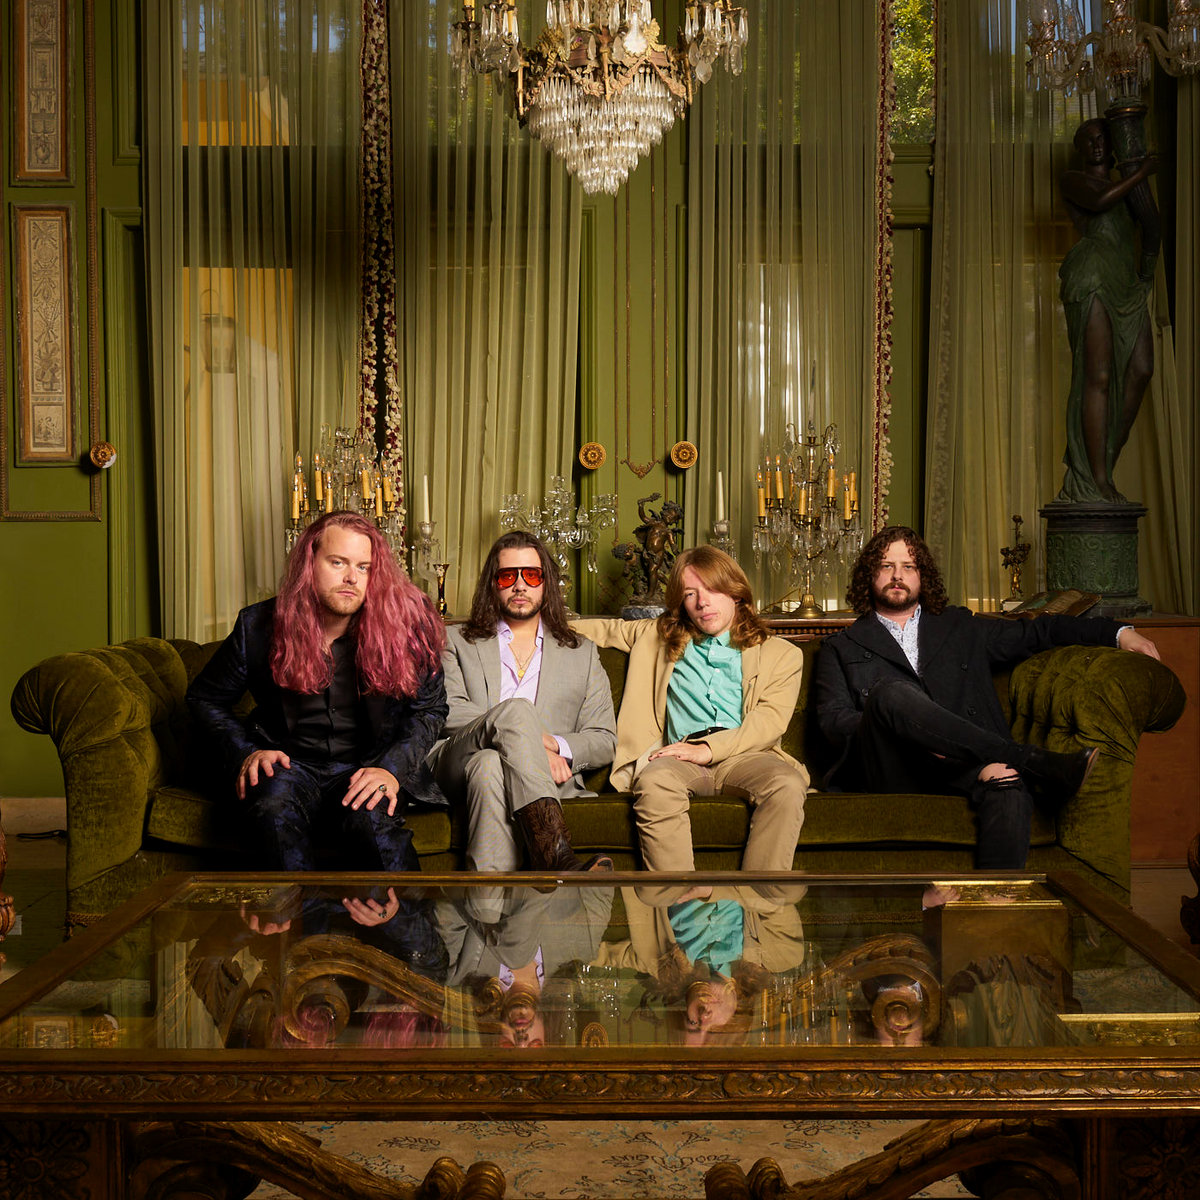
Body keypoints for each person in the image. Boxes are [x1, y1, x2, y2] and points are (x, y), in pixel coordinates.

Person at [187, 510, 448, 973]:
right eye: (338, 562)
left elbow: (429, 709)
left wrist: (391, 769)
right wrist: (247, 752)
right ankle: (307, 959)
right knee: (273, 804)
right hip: (292, 764)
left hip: (367, 764)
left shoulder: (405, 626)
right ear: (310, 562)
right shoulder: (258, 626)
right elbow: (204, 699)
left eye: (364, 567)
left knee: (375, 822)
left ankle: (414, 955)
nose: (352, 578)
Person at [813, 525, 1160, 870]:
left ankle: (995, 899)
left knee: (1006, 779)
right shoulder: (841, 647)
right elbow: (833, 722)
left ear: (923, 575)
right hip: (892, 769)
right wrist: (911, 732)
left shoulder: (961, 627)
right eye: (886, 565)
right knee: (889, 693)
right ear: (869, 574)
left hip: (963, 763)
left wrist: (1118, 633)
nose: (897, 576)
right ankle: (1033, 761)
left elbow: (1040, 631)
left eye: (909, 566)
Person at [575, 546, 808, 883]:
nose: (702, 602)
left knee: (786, 784)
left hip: (746, 754)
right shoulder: (659, 635)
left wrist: (709, 750)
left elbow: (768, 722)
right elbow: (601, 629)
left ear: (736, 592)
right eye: (690, 593)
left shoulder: (782, 654)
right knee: (654, 781)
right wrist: (530, 618)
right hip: (678, 754)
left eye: (712, 589)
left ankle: (759, 906)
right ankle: (681, 903)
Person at [426, 531, 617, 918]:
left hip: (494, 771)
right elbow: (449, 712)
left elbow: (604, 739)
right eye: (506, 576)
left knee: (490, 765)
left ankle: (487, 928)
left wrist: (552, 745)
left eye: (531, 575)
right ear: (492, 584)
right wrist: (525, 740)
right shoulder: (455, 641)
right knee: (514, 714)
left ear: (546, 582)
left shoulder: (582, 653)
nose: (519, 585)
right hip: (455, 763)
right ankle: (554, 851)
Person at [1057, 116, 1159, 503]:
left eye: (1102, 137)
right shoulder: (1072, 179)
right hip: (1092, 274)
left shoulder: (1127, 184)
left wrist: (1146, 273)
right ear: (1079, 149)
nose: (1097, 144)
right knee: (1097, 376)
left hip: (1126, 282)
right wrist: (1141, 173)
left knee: (1142, 368)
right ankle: (1097, 478)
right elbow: (1100, 202)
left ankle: (1101, 463)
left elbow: (1152, 225)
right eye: (1088, 139)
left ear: (1113, 144)